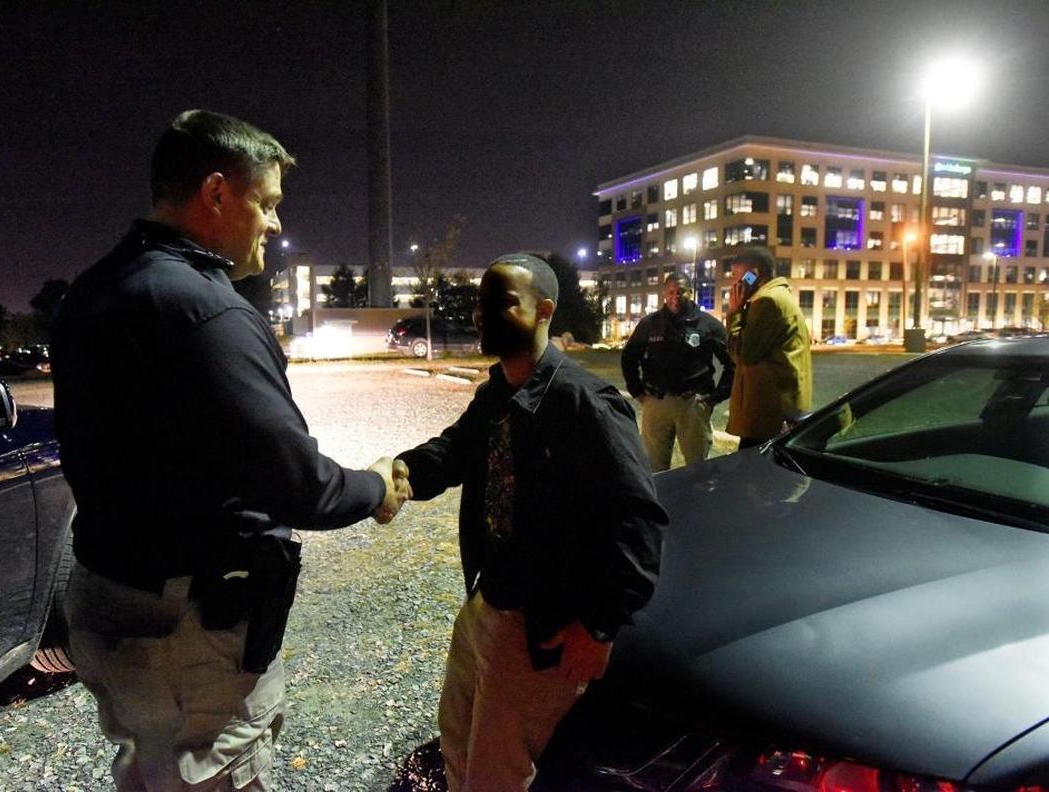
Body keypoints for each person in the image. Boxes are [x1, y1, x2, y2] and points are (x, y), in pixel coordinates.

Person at [51, 109, 408, 791]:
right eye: (267, 204)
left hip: (109, 597)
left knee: (149, 766)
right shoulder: (206, 311)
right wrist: (374, 487)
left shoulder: (93, 289)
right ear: (217, 194)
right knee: (215, 772)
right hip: (189, 622)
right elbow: (295, 480)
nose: (273, 224)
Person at [388, 253, 669, 791]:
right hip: (487, 602)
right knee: (456, 742)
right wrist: (400, 475)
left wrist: (600, 625)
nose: (481, 314)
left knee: (497, 772)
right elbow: (454, 452)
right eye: (479, 302)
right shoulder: (497, 392)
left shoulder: (585, 402)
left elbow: (637, 517)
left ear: (543, 310)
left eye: (501, 303)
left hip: (540, 622)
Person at [621, 272, 733, 470]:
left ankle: (696, 501)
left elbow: (732, 362)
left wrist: (716, 396)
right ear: (664, 294)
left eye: (681, 292)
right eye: (671, 292)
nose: (675, 297)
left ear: (690, 292)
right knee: (654, 468)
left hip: (693, 404)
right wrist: (637, 390)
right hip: (656, 403)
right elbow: (630, 356)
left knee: (697, 468)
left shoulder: (707, 325)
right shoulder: (650, 324)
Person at [725, 246, 813, 449]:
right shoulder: (776, 297)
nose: (734, 283)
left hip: (767, 417)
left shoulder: (768, 301)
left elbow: (743, 354)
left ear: (752, 274)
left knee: (755, 475)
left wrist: (735, 314)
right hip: (774, 412)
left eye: (737, 276)